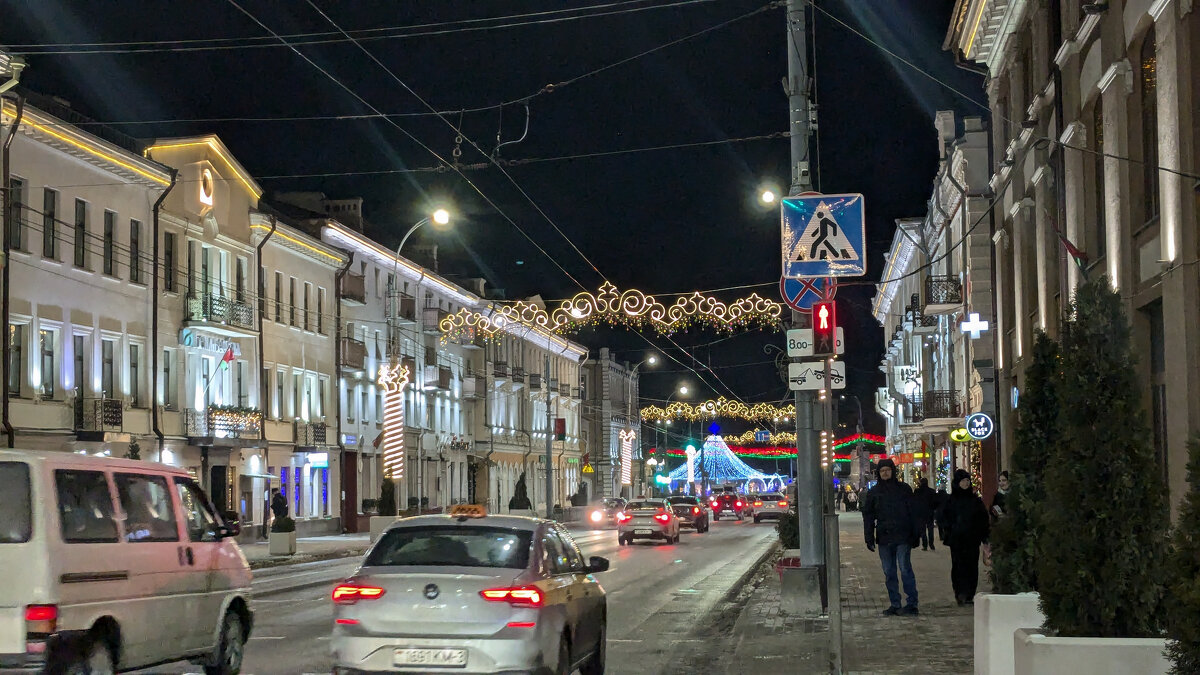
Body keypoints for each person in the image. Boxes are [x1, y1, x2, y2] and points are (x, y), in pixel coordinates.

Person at [862, 458, 922, 616]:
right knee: (889, 572)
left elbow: (914, 513)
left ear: (893, 471)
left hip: (903, 536)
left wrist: (916, 534)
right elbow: (868, 516)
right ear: (879, 474)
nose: (885, 473)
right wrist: (868, 537)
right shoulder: (874, 492)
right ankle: (895, 603)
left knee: (905, 569)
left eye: (888, 470)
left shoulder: (904, 489)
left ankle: (912, 603)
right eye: (882, 471)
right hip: (884, 537)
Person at [940, 469, 991, 605]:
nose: (966, 483)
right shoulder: (951, 500)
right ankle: (960, 593)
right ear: (957, 482)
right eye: (963, 481)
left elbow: (983, 519)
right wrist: (950, 530)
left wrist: (985, 536)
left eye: (968, 480)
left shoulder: (975, 500)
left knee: (972, 566)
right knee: (958, 566)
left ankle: (969, 594)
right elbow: (943, 517)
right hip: (956, 540)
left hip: (972, 539)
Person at [913, 477, 938, 551]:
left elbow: (914, 502)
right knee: (930, 529)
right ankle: (931, 544)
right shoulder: (932, 491)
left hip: (920, 513)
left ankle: (925, 545)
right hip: (930, 512)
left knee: (922, 529)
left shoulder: (917, 491)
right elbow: (935, 502)